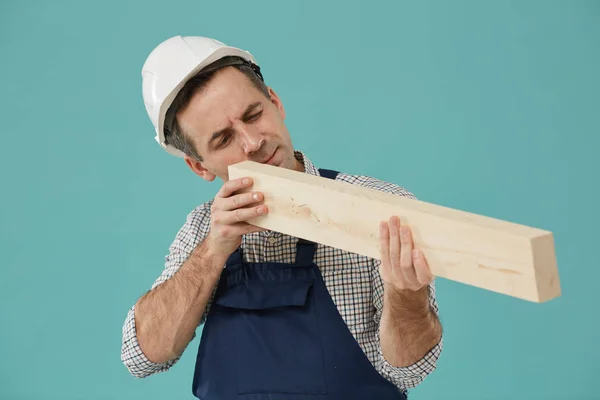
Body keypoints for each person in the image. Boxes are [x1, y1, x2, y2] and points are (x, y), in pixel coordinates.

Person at [121, 35, 443, 399]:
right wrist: (213, 252)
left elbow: (410, 369)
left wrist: (407, 294)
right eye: (224, 139)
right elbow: (142, 357)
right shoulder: (202, 229)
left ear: (275, 103)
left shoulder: (382, 209)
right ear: (199, 166)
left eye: (254, 115)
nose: (252, 142)